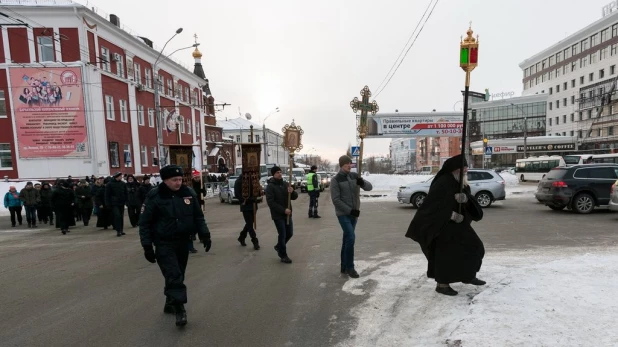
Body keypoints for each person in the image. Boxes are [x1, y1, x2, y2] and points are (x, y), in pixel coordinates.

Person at [138, 165, 212, 327]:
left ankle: (170, 303)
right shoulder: (155, 196)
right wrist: (147, 246)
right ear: (165, 180)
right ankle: (180, 309)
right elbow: (144, 223)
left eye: (180, 179)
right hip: (164, 242)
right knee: (174, 274)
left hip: (183, 241)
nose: (178, 183)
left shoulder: (188, 193)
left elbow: (198, 217)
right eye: (174, 180)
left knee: (178, 273)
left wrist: (204, 234)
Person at [405, 155, 485, 296]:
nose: (466, 169)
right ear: (455, 169)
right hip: (442, 227)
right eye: (463, 167)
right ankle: (442, 285)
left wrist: (465, 200)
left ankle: (468, 275)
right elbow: (432, 207)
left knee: (475, 247)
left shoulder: (461, 182)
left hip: (459, 225)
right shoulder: (443, 182)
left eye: (466, 166)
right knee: (445, 256)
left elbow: (470, 204)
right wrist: (451, 215)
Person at [330, 155, 373, 278]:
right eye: (346, 164)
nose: (349, 166)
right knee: (351, 237)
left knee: (347, 239)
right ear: (341, 165)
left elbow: (370, 188)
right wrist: (350, 211)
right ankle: (350, 267)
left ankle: (344, 265)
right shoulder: (336, 180)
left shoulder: (354, 176)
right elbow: (336, 200)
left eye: (350, 163)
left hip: (354, 213)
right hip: (343, 214)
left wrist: (362, 182)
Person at [265, 166, 298, 264]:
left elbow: (294, 197)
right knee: (282, 234)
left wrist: (292, 192)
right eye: (277, 172)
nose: (279, 174)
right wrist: (283, 210)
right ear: (273, 174)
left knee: (290, 233)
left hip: (288, 214)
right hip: (278, 215)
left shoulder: (285, 184)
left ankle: (279, 246)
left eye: (280, 172)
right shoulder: (270, 187)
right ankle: (283, 255)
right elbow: (271, 202)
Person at [233, 173, 261, 250]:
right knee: (249, 224)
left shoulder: (253, 179)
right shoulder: (239, 181)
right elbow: (237, 194)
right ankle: (254, 240)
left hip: (254, 205)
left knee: (249, 223)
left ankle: (242, 236)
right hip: (245, 205)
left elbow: (257, 191)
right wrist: (245, 200)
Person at [105, 172, 128, 237]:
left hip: (121, 202)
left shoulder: (123, 184)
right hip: (114, 203)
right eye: (120, 176)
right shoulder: (109, 184)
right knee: (117, 216)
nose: (121, 177)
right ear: (116, 177)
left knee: (121, 216)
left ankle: (121, 230)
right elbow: (107, 195)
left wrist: (126, 200)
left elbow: (126, 193)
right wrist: (107, 203)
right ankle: (118, 230)